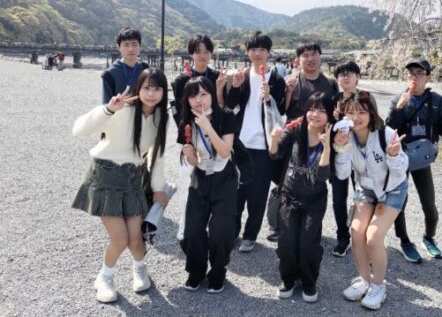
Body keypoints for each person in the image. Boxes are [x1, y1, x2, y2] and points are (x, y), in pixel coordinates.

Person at [71, 68, 169, 303]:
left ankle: (140, 268)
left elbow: (157, 157)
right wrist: (108, 109)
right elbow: (79, 130)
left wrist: (158, 188)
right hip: (106, 176)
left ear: (164, 92)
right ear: (138, 88)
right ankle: (105, 278)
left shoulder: (160, 118)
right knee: (120, 239)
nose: (152, 94)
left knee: (136, 239)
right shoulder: (123, 109)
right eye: (147, 88)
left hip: (133, 179)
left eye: (157, 89)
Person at [333, 91, 409, 311]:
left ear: (371, 113)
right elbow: (342, 174)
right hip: (366, 189)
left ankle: (378, 286)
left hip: (392, 189)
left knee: (373, 237)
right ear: (344, 115)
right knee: (356, 231)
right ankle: (364, 280)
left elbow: (401, 170)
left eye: (362, 112)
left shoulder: (386, 134)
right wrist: (341, 148)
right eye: (351, 112)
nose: (356, 118)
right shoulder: (346, 136)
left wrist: (393, 155)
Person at [386, 58, 442, 263]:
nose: (414, 77)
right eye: (410, 73)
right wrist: (398, 108)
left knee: (429, 204)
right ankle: (405, 241)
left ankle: (429, 237)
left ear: (428, 77)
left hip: (422, 158)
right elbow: (389, 130)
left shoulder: (437, 101)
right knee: (400, 202)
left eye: (419, 73)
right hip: (401, 158)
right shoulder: (398, 98)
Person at [225, 31, 286, 253]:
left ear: (269, 52)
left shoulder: (277, 80)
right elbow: (230, 106)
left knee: (257, 195)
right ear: (247, 52)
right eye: (253, 49)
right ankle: (232, 232)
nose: (257, 53)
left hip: (264, 145)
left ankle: (250, 236)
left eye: (262, 49)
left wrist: (269, 97)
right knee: (236, 192)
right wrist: (235, 86)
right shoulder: (241, 75)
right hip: (240, 143)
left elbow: (282, 110)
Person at [269, 93, 333, 303]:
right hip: (289, 195)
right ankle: (288, 279)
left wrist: (327, 147)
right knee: (287, 241)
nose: (315, 114)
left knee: (308, 243)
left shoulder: (334, 137)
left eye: (322, 110)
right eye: (312, 109)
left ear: (329, 115)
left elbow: (322, 176)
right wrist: (274, 140)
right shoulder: (296, 130)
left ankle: (308, 281)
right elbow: (274, 154)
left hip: (314, 199)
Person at [178, 77, 238, 293]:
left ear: (212, 94)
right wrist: (189, 154)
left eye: (203, 94)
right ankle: (196, 271)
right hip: (200, 177)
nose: (198, 100)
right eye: (193, 96)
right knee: (193, 230)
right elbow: (194, 162)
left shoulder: (226, 116)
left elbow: (225, 152)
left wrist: (207, 126)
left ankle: (218, 272)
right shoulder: (186, 121)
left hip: (224, 178)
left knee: (220, 231)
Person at [329, 60, 361, 257]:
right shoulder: (333, 99)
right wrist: (334, 119)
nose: (345, 77)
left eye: (350, 73)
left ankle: (362, 237)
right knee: (338, 199)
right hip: (339, 154)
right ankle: (343, 237)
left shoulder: (365, 99)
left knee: (363, 197)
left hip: (360, 156)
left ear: (358, 77)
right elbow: (328, 127)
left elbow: (374, 125)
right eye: (341, 74)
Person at [172, 35, 224, 127]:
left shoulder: (217, 77)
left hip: (214, 125)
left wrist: (219, 89)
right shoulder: (181, 80)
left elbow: (222, 107)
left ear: (211, 53)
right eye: (198, 52)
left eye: (206, 52)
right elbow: (180, 109)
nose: (202, 56)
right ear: (191, 53)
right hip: (191, 126)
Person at [285, 43, 338, 121]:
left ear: (320, 56)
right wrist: (288, 91)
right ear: (298, 59)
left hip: (323, 127)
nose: (310, 59)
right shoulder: (289, 82)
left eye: (314, 54)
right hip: (295, 127)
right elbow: (282, 110)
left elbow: (337, 109)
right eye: (305, 55)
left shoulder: (331, 83)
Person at [101, 27, 149, 104]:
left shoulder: (146, 69)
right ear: (118, 47)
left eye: (134, 44)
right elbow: (106, 105)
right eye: (126, 45)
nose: (130, 49)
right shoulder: (109, 74)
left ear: (140, 47)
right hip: (119, 111)